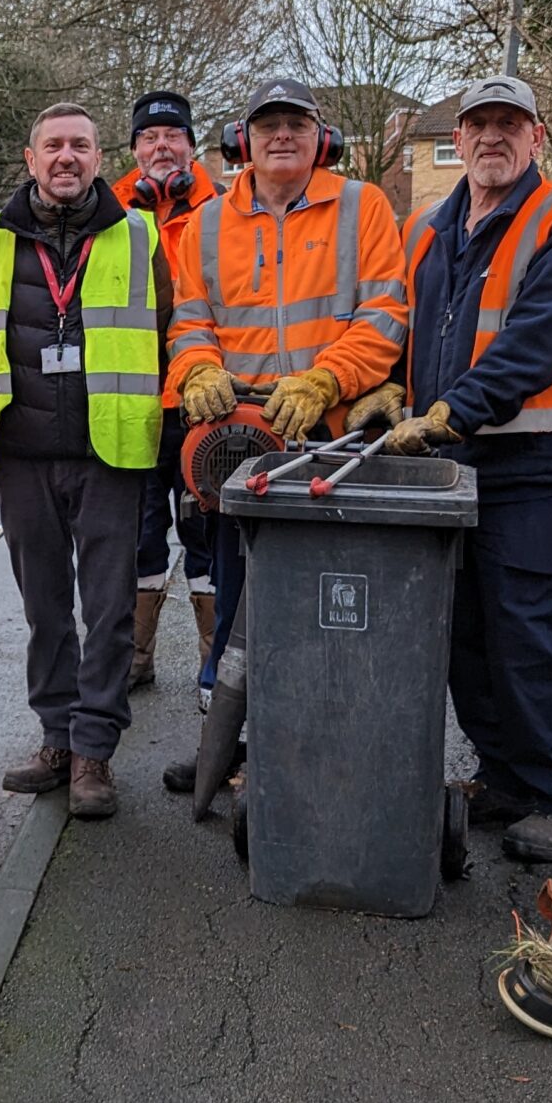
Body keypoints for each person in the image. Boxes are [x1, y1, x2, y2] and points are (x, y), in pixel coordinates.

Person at [349, 74, 552, 862]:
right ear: (457, 141)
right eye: (478, 126)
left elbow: (537, 340)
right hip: (444, 456)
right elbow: (405, 325)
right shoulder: (430, 227)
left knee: (521, 626)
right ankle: (505, 775)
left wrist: (452, 412)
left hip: (522, 458)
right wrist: (391, 391)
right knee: (460, 628)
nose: (493, 138)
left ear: (536, 139)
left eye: (510, 125)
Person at [159, 75, 406, 790]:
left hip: (335, 436)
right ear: (244, 142)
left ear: (320, 137)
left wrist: (326, 379)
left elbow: (385, 314)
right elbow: (190, 322)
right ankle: (230, 749)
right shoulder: (207, 224)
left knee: (336, 600)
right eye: (267, 125)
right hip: (244, 441)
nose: (281, 136)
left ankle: (328, 752)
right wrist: (199, 369)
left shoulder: (364, 207)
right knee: (239, 602)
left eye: (295, 123)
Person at [0, 104, 172, 820]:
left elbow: (167, 331)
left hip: (109, 451)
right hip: (22, 455)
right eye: (53, 145)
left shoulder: (137, 235)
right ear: (30, 158)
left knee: (110, 611)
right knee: (44, 609)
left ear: (99, 156)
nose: (66, 157)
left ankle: (94, 752)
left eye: (80, 145)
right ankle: (56, 735)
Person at [109, 89, 220, 689]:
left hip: (205, 402)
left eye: (172, 136)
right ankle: (136, 657)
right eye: (149, 138)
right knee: (138, 531)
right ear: (134, 151)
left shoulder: (225, 209)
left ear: (191, 146)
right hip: (131, 401)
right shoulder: (109, 213)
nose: (161, 146)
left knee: (209, 529)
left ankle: (216, 653)